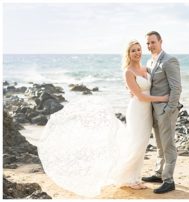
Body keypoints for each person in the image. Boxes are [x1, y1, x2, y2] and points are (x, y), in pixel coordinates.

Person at [38, 40, 169, 197]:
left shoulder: (145, 68)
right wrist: (162, 98)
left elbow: (154, 84)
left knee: (141, 145)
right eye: (133, 50)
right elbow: (140, 96)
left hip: (147, 112)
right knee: (136, 144)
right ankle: (127, 178)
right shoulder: (128, 72)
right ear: (128, 54)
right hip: (137, 110)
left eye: (139, 49)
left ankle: (134, 176)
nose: (137, 52)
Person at [141, 31, 182, 194]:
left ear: (160, 42)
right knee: (159, 144)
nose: (150, 46)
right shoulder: (150, 61)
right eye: (148, 43)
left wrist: (169, 109)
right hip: (154, 110)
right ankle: (159, 174)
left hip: (166, 111)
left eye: (153, 42)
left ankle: (169, 180)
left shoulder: (169, 60)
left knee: (168, 145)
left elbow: (176, 87)